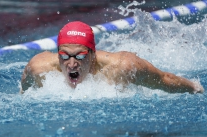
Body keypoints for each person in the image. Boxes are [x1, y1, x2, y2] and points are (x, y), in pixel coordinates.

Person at [21, 21, 204, 94]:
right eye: (65, 55)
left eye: (80, 55)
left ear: (93, 54)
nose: (71, 63)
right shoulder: (38, 68)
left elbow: (164, 79)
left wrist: (196, 89)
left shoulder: (123, 67)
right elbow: (23, 92)